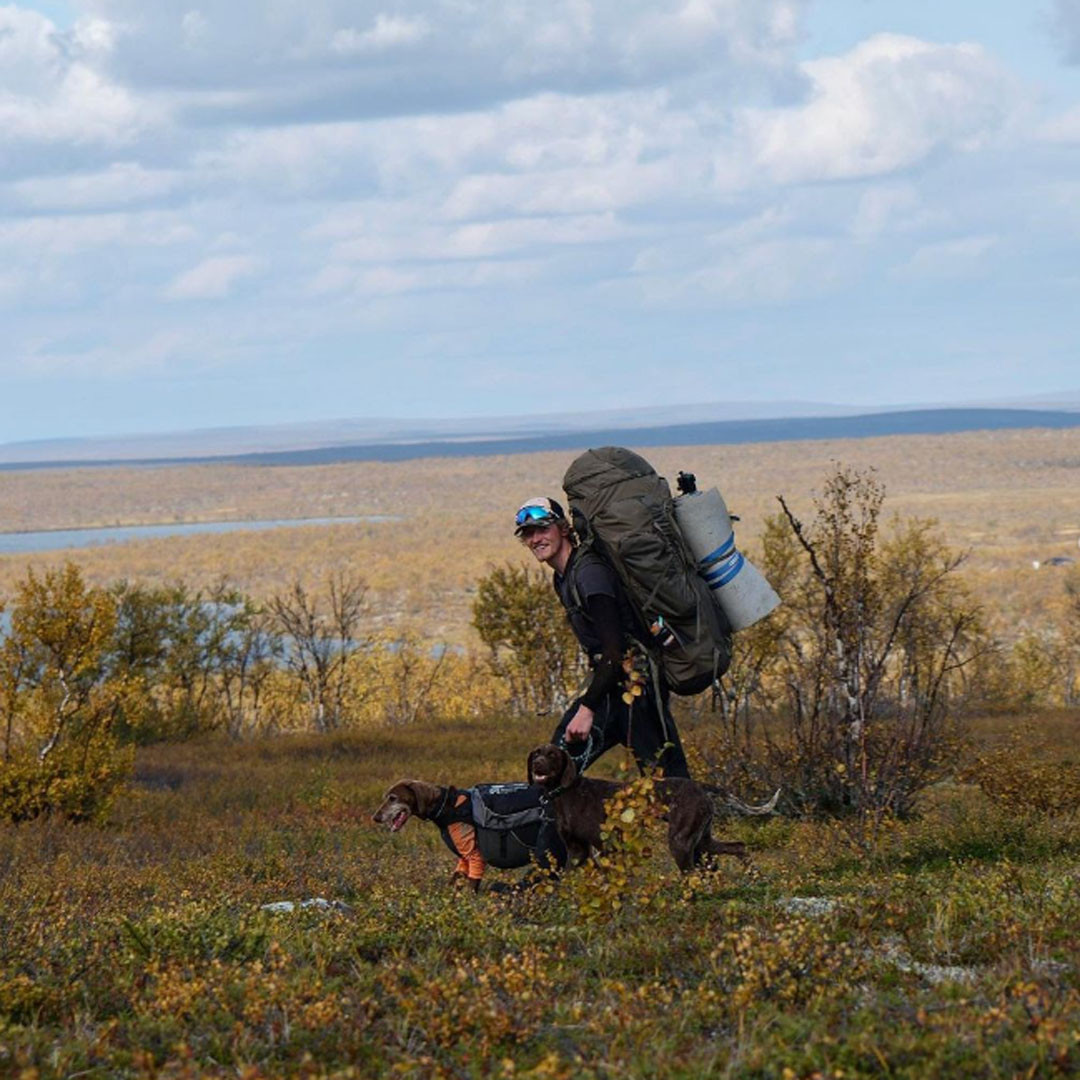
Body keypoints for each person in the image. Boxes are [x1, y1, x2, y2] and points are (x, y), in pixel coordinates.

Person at [514, 496, 691, 781]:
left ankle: (720, 822)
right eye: (529, 534)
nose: (535, 539)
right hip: (616, 687)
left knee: (670, 787)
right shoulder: (564, 577)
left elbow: (615, 650)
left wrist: (587, 710)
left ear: (562, 528)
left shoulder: (589, 575)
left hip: (635, 690)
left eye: (542, 529)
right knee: (553, 772)